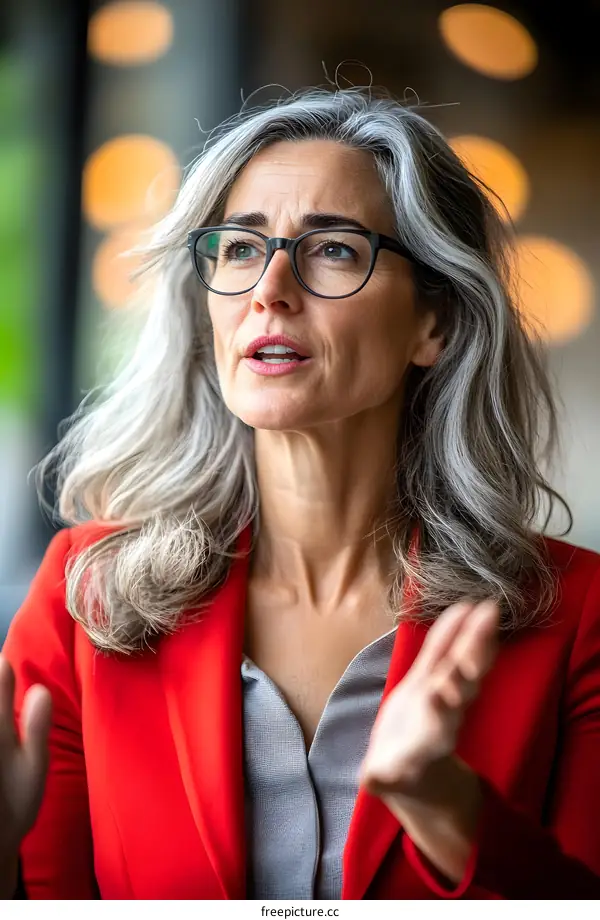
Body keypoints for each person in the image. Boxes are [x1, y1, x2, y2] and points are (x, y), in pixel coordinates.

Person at [1, 86, 600, 900]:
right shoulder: (89, 597)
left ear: (437, 325)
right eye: (241, 249)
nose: (269, 290)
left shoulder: (575, 615)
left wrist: (446, 807)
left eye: (335, 251)